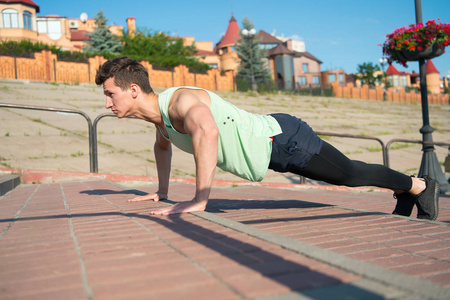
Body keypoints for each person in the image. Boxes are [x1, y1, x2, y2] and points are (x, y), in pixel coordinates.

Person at [95, 57, 440, 220]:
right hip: (274, 144)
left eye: (110, 94)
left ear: (134, 90)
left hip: (285, 139)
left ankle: (418, 186)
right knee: (349, 174)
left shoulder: (182, 100)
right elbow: (162, 145)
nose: (107, 103)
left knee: (349, 174)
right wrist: (163, 191)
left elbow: (208, 130)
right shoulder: (159, 120)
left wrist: (200, 199)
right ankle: (407, 188)